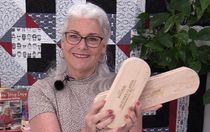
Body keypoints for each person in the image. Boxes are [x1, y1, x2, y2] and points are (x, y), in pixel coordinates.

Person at [28, 2, 161, 132]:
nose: (82, 46)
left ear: (103, 47)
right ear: (63, 43)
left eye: (92, 39)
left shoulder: (124, 86)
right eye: (73, 36)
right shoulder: (42, 91)